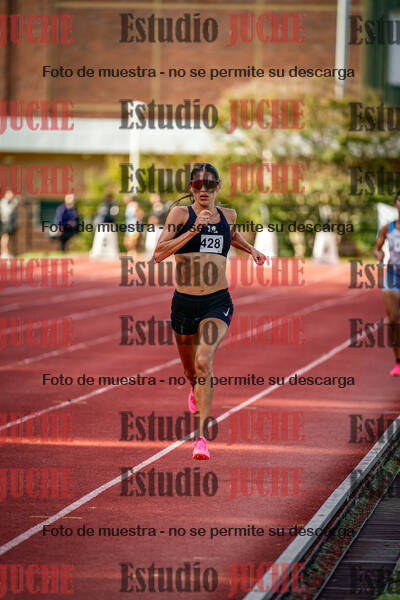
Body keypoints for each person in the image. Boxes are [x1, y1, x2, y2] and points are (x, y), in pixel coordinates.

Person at [153, 163, 266, 459]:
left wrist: (251, 249)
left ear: (218, 187)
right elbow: (159, 253)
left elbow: (232, 235)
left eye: (210, 185)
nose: (203, 190)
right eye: (197, 185)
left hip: (217, 301)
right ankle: (194, 389)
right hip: (184, 303)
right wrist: (193, 230)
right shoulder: (180, 215)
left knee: (203, 362)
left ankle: (200, 437)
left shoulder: (229, 215)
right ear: (191, 188)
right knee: (191, 371)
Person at [374, 190, 400, 376]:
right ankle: (398, 362)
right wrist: (379, 254)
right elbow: (377, 248)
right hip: (392, 275)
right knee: (393, 320)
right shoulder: (387, 228)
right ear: (396, 204)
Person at [0, 190, 18, 257]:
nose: (11, 196)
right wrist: (13, 204)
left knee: (10, 238)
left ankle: (8, 252)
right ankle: (4, 253)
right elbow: (6, 213)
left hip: (10, 224)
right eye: (9, 195)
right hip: (5, 223)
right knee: (5, 238)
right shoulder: (3, 202)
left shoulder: (12, 202)